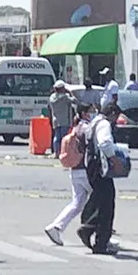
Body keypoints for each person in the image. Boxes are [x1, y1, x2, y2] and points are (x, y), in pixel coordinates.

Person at [77, 102, 126, 254]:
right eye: (116, 117)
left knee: (100, 200)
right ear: (112, 114)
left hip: (91, 165)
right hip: (99, 167)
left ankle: (90, 229)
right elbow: (104, 143)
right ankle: (98, 240)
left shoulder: (94, 122)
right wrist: (115, 160)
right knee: (107, 205)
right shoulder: (104, 124)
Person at [44, 102, 96, 245]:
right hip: (86, 170)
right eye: (91, 111)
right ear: (84, 113)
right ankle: (101, 233)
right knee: (100, 201)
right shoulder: (86, 128)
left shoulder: (75, 127)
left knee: (77, 203)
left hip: (75, 170)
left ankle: (56, 227)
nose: (94, 113)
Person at [48, 80, 77, 157]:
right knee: (63, 137)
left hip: (56, 120)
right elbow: (75, 100)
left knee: (57, 137)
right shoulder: (65, 97)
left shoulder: (52, 97)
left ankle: (56, 152)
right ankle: (62, 152)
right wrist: (71, 93)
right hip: (65, 120)